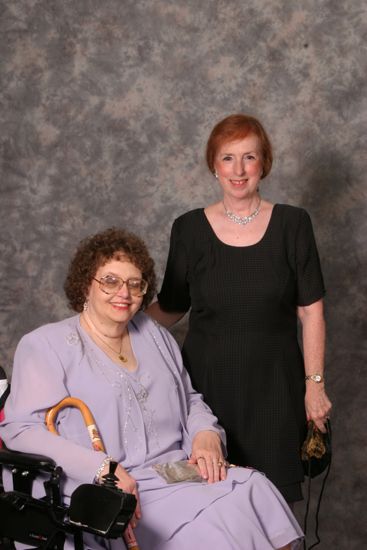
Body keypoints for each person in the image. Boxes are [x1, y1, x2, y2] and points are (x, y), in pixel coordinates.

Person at [0, 227, 303, 550]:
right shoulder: (47, 345)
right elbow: (21, 429)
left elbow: (190, 399)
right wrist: (102, 467)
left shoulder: (154, 335)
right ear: (85, 284)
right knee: (217, 521)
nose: (124, 293)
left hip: (173, 472)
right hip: (108, 486)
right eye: (111, 281)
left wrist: (206, 433)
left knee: (255, 489)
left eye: (135, 284)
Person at [147, 114, 332, 503]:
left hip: (275, 391)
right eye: (228, 158)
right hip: (206, 392)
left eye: (249, 157)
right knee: (209, 506)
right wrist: (107, 327)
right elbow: (171, 306)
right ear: (213, 164)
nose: (238, 169)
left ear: (263, 163)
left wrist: (314, 386)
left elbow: (311, 311)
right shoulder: (189, 229)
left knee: (273, 510)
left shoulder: (293, 224)